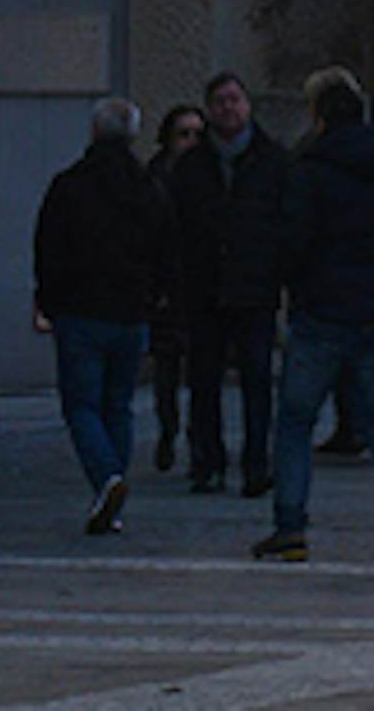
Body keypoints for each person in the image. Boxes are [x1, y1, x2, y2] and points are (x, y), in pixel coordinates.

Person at [249, 70, 374, 571]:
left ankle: (291, 528)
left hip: (323, 316)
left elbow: (291, 243)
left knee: (294, 421)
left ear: (319, 117)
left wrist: (277, 287)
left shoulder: (309, 171)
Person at [27, 95, 170, 536]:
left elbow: (47, 248)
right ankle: (113, 488)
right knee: (118, 405)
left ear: (93, 132)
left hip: (80, 310)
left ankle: (106, 477)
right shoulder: (148, 188)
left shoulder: (69, 185)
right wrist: (156, 297)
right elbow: (168, 249)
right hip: (130, 312)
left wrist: (48, 299)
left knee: (81, 405)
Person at [165, 73, 292, 497]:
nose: (228, 108)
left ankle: (257, 464)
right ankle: (208, 463)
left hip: (255, 289)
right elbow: (176, 227)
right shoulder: (191, 167)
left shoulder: (274, 161)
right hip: (205, 288)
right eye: (220, 102)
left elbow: (286, 225)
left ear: (247, 105)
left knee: (258, 382)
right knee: (204, 383)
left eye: (235, 100)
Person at [141, 104, 206, 471]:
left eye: (198, 134)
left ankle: (196, 437)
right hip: (168, 286)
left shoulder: (208, 177)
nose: (192, 142)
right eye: (184, 134)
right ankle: (169, 430)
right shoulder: (155, 178)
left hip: (198, 284)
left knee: (199, 368)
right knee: (167, 369)